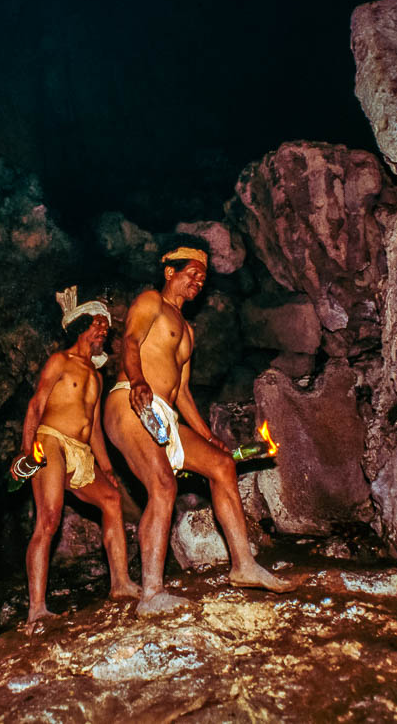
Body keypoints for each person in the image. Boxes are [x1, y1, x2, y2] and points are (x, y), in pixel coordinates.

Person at [103, 242, 296, 616]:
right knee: (162, 485)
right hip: (130, 400)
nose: (198, 280)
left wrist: (208, 436)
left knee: (222, 465)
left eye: (203, 277)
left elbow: (183, 393)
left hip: (163, 413)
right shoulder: (150, 303)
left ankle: (244, 566)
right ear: (169, 272)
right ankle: (151, 594)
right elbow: (130, 341)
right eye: (191, 272)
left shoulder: (188, 330)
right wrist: (139, 380)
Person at [13, 286, 142, 622]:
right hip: (51, 442)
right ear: (81, 324)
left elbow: (95, 426)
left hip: (81, 452)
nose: (103, 329)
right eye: (97, 323)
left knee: (112, 500)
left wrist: (107, 466)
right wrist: (27, 451)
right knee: (49, 519)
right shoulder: (60, 361)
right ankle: (37, 608)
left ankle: (121, 583)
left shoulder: (96, 376)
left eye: (106, 326)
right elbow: (37, 404)